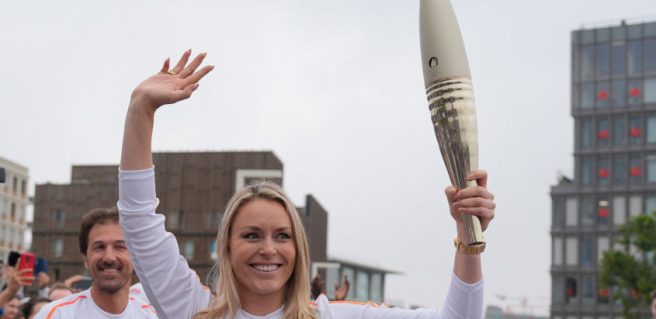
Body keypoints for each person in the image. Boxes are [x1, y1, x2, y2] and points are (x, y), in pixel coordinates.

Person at [118, 50, 496, 319]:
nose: (269, 249)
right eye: (251, 235)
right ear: (226, 248)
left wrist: (468, 236)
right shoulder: (192, 310)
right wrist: (141, 109)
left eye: (282, 236)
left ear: (299, 248)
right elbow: (139, 223)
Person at [34, 207, 156, 318]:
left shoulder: (152, 316)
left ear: (135, 257)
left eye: (120, 247)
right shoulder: (56, 315)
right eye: (99, 247)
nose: (109, 257)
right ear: (85, 259)